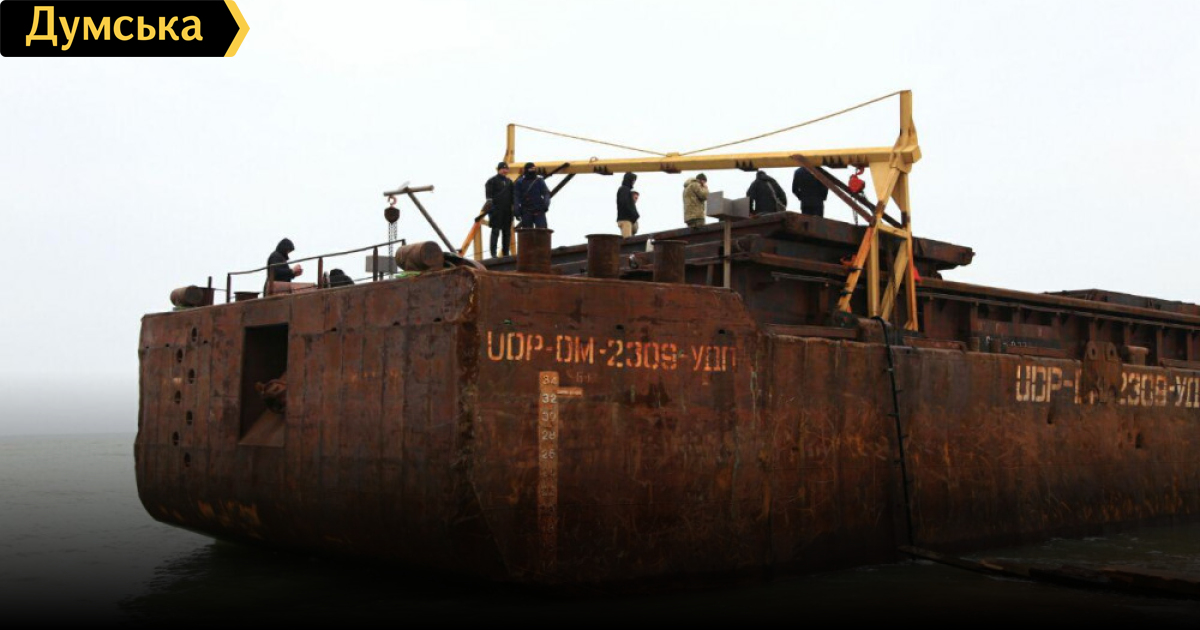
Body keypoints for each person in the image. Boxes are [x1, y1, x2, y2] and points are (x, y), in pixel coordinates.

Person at [484, 161, 515, 257]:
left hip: (507, 211)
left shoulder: (510, 182)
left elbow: (513, 197)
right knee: (495, 231)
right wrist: (491, 209)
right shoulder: (491, 181)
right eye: (503, 169)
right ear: (499, 170)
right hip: (496, 210)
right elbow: (489, 197)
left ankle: (506, 253)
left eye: (506, 169)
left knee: (507, 232)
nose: (505, 170)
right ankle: (493, 253)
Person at [514, 162, 550, 229]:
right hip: (526, 210)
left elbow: (546, 193)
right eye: (531, 169)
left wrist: (546, 205)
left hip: (538, 210)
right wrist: (516, 210)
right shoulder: (520, 182)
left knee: (542, 231)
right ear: (526, 170)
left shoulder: (539, 180)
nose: (533, 170)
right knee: (527, 232)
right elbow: (516, 197)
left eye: (534, 169)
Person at [616, 172, 639, 237]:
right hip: (625, 220)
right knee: (628, 240)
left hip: (629, 219)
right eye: (633, 180)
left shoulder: (627, 190)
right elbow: (625, 203)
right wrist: (633, 214)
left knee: (632, 237)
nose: (634, 182)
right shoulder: (624, 190)